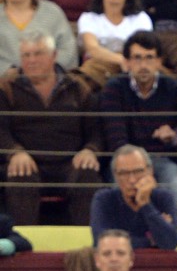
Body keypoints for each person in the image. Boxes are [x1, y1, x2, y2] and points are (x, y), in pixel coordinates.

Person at [99, 30, 177, 220]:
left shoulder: (173, 89)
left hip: (162, 160)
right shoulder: (114, 88)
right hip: (124, 162)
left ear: (159, 61)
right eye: (137, 58)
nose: (143, 65)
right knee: (122, 196)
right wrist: (139, 171)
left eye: (149, 58)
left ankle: (156, 230)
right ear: (127, 62)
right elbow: (117, 140)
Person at [0, 30, 101, 226]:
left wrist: (90, 150)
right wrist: (14, 152)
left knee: (87, 176)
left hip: (69, 162)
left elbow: (96, 129)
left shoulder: (78, 87)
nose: (31, 60)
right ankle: (23, 245)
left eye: (38, 54)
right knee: (20, 175)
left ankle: (86, 248)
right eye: (26, 55)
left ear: (54, 56)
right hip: (27, 161)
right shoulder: (6, 87)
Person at [90, 143, 177, 248]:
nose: (132, 180)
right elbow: (100, 242)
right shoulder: (104, 199)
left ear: (150, 171)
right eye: (124, 173)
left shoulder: (164, 198)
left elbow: (170, 243)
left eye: (138, 171)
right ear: (115, 176)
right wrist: (151, 241)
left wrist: (145, 204)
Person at [76, 0, 152, 89]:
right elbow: (92, 49)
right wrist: (120, 60)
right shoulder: (88, 18)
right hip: (99, 67)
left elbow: (143, 49)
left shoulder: (141, 19)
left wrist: (126, 62)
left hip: (134, 68)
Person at [0, 0, 78, 76]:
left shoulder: (52, 12)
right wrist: (14, 73)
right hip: (6, 83)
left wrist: (46, 70)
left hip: (52, 79)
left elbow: (68, 49)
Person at [73, 228, 159, 271]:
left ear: (131, 259)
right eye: (107, 254)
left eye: (121, 253)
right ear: (97, 260)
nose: (114, 259)